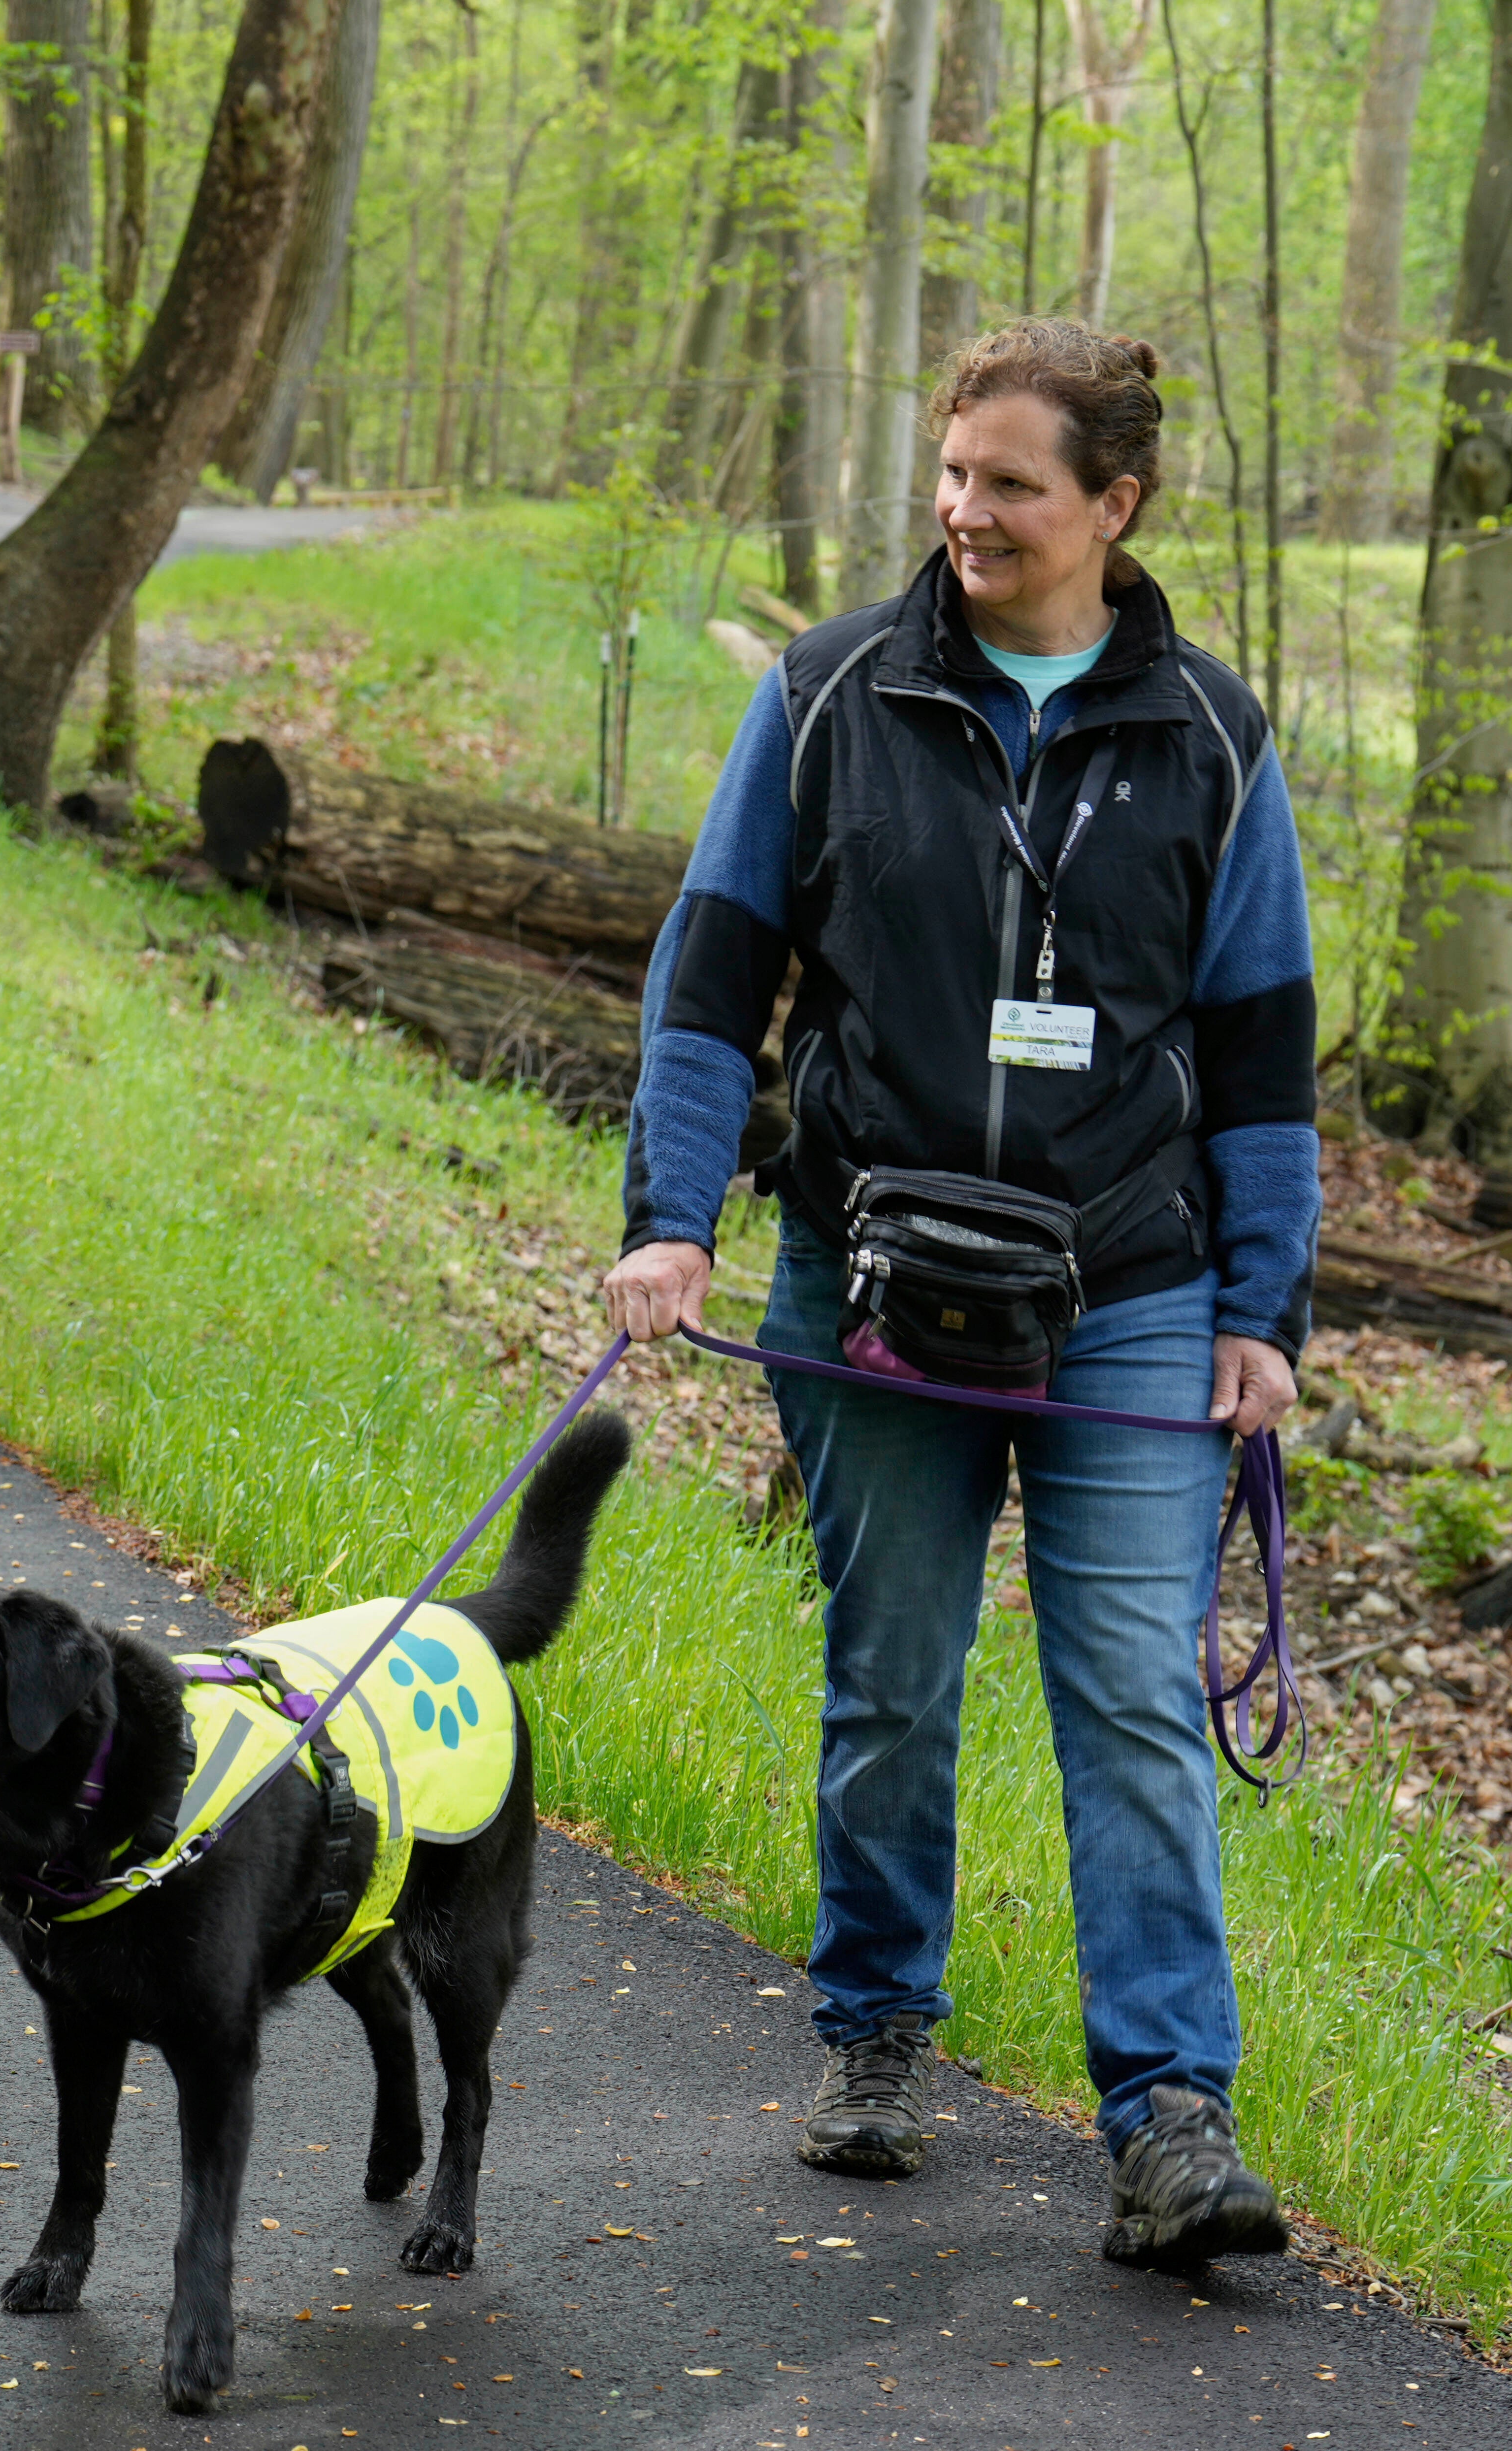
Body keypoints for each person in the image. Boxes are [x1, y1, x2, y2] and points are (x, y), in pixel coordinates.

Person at [603, 321, 1315, 2269]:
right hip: (870, 1282)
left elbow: (1260, 1053)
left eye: (1010, 482)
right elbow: (708, 976)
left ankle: (1171, 2110)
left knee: (1133, 1706)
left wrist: (1265, 1309)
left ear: (1115, 504)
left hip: (1137, 1296)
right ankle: (872, 2034)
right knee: (893, 1679)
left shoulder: (1212, 739)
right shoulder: (830, 696)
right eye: (951, 475)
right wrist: (675, 1216)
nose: (964, 512)